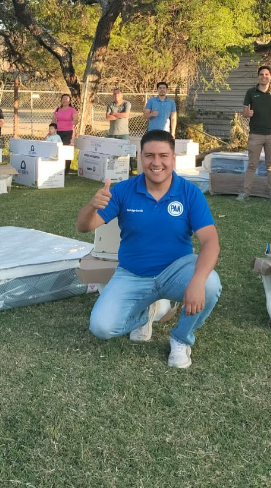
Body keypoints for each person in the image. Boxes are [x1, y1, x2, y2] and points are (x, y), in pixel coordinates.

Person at [76, 129, 222, 368]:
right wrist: (92, 206)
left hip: (177, 271)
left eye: (163, 155)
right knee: (101, 327)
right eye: (149, 155)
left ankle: (181, 339)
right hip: (132, 274)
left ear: (173, 158)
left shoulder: (189, 193)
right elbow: (84, 226)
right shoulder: (123, 190)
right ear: (140, 157)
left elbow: (210, 242)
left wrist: (196, 281)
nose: (156, 162)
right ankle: (147, 313)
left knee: (210, 283)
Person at [237, 65, 271, 202]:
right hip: (255, 134)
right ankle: (245, 193)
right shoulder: (251, 92)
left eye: (266, 74)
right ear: (258, 77)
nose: (264, 77)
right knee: (252, 164)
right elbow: (244, 112)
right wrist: (247, 113)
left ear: (270, 76)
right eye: (261, 74)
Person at [54, 94, 78, 175]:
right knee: (58, 150)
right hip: (58, 132)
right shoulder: (58, 110)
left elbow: (76, 120)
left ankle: (66, 170)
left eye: (66, 99)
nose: (64, 101)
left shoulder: (72, 110)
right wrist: (51, 130)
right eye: (63, 99)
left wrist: (72, 122)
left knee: (66, 150)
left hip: (68, 132)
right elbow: (54, 121)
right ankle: (58, 169)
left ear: (69, 101)